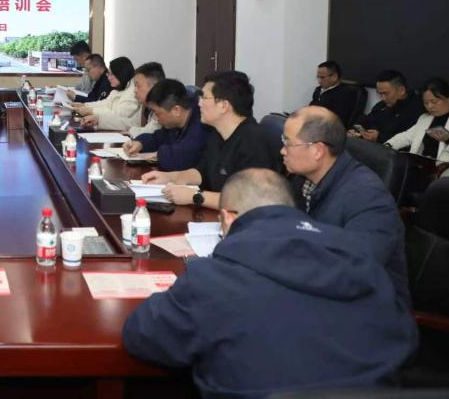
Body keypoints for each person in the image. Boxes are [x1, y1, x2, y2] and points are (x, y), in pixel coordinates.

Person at [122, 168, 416, 398]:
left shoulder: (213, 278)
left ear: (227, 219)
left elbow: (142, 336)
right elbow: (405, 336)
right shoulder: (359, 257)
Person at [282, 106, 410, 308]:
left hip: (367, 310)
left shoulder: (368, 197)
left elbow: (354, 274)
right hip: (319, 290)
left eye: (288, 143)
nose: (282, 151)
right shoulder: (303, 180)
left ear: (317, 151)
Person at [141, 71, 279, 209]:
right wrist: (170, 178)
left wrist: (195, 196)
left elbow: (249, 200)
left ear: (223, 106)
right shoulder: (217, 134)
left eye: (205, 98)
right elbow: (202, 172)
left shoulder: (254, 141)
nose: (199, 103)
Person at [386, 78, 449, 166]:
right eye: (426, 103)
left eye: (434, 102)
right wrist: (387, 146)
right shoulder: (425, 119)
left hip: (447, 175)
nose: (430, 106)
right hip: (418, 169)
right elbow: (405, 137)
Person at [122, 79, 210, 171]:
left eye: (157, 113)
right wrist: (140, 143)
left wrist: (158, 155)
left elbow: (182, 158)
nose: (155, 118)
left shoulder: (201, 124)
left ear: (176, 110)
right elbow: (158, 138)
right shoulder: (174, 125)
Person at [348, 70, 423, 144]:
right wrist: (354, 130)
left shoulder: (415, 109)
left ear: (401, 90)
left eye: (386, 94)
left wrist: (379, 137)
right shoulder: (381, 105)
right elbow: (366, 120)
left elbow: (408, 139)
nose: (383, 98)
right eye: (380, 94)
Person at [73, 57, 140, 131]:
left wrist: (92, 111)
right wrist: (85, 105)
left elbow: (119, 114)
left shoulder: (132, 91)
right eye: (108, 74)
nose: (109, 78)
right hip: (112, 128)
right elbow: (105, 103)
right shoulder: (119, 88)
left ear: (121, 74)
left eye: (112, 74)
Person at [309, 60, 355, 125]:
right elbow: (311, 107)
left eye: (322, 77)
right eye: (318, 77)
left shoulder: (344, 94)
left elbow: (337, 119)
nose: (319, 81)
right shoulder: (318, 90)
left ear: (334, 77)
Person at [127, 62, 165, 138]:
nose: (135, 90)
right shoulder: (146, 106)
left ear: (154, 87)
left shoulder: (163, 106)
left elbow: (148, 133)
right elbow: (135, 123)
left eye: (138, 86)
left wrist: (132, 131)